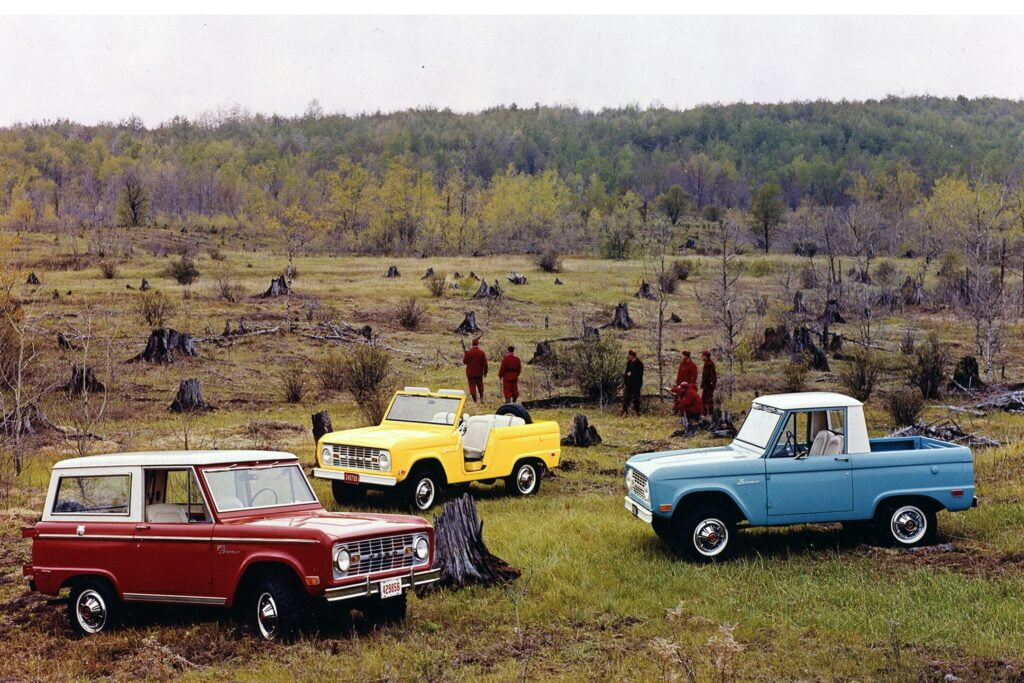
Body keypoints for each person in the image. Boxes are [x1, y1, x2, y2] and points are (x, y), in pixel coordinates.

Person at [462, 338, 488, 402]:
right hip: (479, 373)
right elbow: (485, 364)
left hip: (470, 374)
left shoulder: (468, 353)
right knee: (480, 386)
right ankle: (481, 398)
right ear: (478, 344)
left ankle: (475, 401)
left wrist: (465, 354)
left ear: (472, 344)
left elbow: (464, 362)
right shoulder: (482, 353)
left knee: (472, 387)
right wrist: (485, 372)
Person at [621, 349, 644, 416]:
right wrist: (625, 382)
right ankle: (625, 412)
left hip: (636, 384)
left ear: (632, 356)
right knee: (626, 398)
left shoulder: (639, 364)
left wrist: (631, 374)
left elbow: (639, 374)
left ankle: (636, 412)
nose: (628, 356)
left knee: (636, 398)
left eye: (629, 355)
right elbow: (626, 373)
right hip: (629, 384)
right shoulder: (629, 363)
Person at [700, 349, 717, 416]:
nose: (702, 357)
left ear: (706, 356)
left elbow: (712, 376)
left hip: (708, 386)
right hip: (706, 385)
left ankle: (709, 412)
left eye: (703, 356)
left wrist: (711, 384)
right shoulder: (707, 363)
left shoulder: (709, 364)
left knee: (708, 399)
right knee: (704, 399)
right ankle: (705, 412)